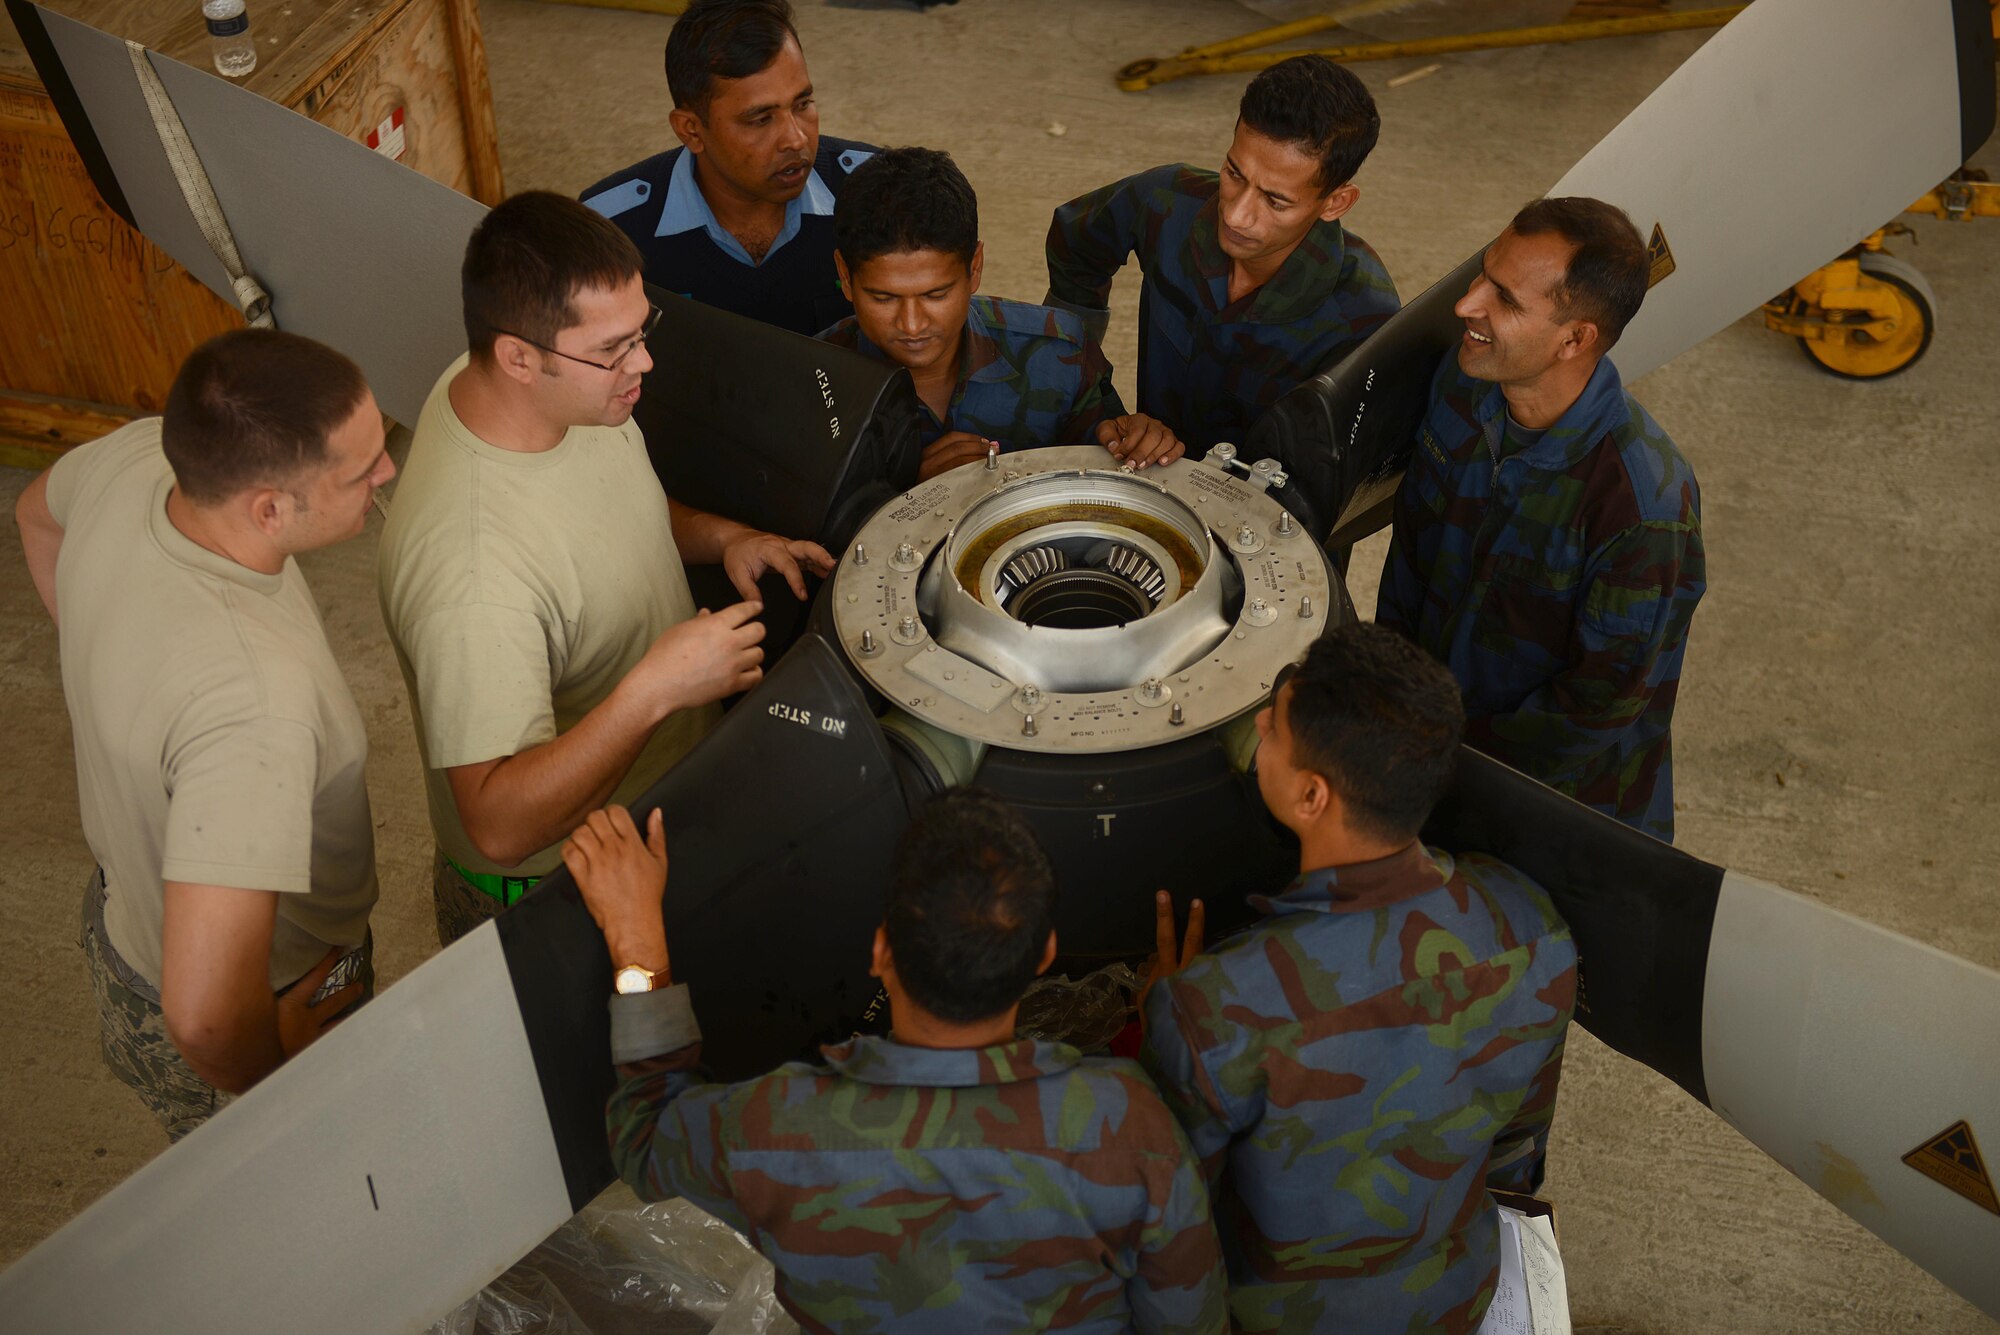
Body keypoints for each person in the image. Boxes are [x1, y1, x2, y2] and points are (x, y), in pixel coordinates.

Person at [565, 790, 1229, 1332]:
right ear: (1044, 954)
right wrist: (1175, 1025)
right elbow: (1190, 1323)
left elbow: (644, 1135)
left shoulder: (776, 1127)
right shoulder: (1131, 1125)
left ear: (881, 950)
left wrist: (636, 944)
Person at [378, 190, 832, 946]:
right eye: (614, 348)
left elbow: (611, 509)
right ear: (518, 357)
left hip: (657, 813)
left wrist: (724, 538)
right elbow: (496, 822)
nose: (645, 361)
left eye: (640, 329)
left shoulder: (530, 390)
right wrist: (657, 689)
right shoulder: (473, 574)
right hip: (565, 887)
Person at [1139, 623, 1577, 1333]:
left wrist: (1167, 1007)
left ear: (1312, 796)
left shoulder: (1214, 1011)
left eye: (1273, 726)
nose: (1257, 724)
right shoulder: (1532, 929)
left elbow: (1173, 1233)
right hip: (1454, 1299)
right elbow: (1516, 1150)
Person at [13, 330, 391, 1140]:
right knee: (306, 1193)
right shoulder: (255, 710)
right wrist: (279, 1062)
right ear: (269, 507)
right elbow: (209, 1017)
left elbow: (34, 513)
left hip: (124, 926)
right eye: (363, 468)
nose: (389, 472)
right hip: (278, 991)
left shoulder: (138, 458)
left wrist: (109, 666)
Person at [1375, 196, 1703, 842]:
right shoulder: (1466, 383)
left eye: (1505, 299)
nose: (1467, 305)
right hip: (1422, 758)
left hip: (1548, 813)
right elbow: (1411, 557)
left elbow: (1590, 713)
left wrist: (1441, 758)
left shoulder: (1642, 507)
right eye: (1482, 275)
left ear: (1575, 339)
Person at [1044, 54, 1399, 457]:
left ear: (1335, 202)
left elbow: (1331, 483)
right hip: (1143, 475)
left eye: (1275, 200)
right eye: (1234, 173)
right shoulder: (1166, 201)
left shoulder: (1364, 318)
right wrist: (1092, 400)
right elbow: (1076, 245)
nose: (1235, 214)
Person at [819, 146, 1183, 481]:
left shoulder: (1060, 355)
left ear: (974, 267)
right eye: (883, 298)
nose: (912, 324)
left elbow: (1115, 472)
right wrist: (909, 495)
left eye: (936, 294)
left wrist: (1140, 442)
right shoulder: (812, 383)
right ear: (845, 276)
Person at [582, 0, 878, 337]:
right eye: (760, 119)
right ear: (691, 130)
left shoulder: (881, 192)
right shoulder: (610, 230)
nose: (796, 140)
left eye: (803, 104)